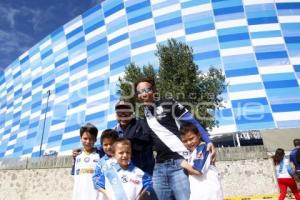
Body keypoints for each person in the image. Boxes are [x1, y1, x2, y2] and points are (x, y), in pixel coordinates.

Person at [135, 78, 216, 200]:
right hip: (159, 167)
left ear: (154, 90)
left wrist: (208, 141)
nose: (143, 94)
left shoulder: (168, 103)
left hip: (179, 164)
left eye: (147, 90)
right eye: (139, 92)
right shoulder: (145, 114)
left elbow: (192, 121)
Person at [72, 100, 155, 175]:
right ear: (116, 114)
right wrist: (84, 150)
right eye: (119, 111)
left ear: (132, 112)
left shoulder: (142, 125)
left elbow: (144, 143)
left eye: (126, 111)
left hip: (145, 174)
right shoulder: (114, 132)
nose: (122, 114)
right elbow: (104, 147)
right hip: (126, 176)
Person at [179, 123, 223, 200]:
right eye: (185, 141)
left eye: (191, 138)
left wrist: (183, 164)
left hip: (209, 195)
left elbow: (198, 171)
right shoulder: (191, 154)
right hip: (199, 195)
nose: (189, 143)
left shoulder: (204, 148)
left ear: (199, 135)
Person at [72, 123, 100, 200]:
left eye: (91, 139)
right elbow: (75, 176)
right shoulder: (77, 156)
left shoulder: (100, 155)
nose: (87, 141)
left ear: (95, 140)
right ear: (80, 138)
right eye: (85, 138)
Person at [93, 129, 119, 200]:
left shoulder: (124, 159)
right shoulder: (100, 163)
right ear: (102, 145)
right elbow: (96, 182)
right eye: (105, 144)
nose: (108, 147)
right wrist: (107, 193)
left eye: (111, 144)